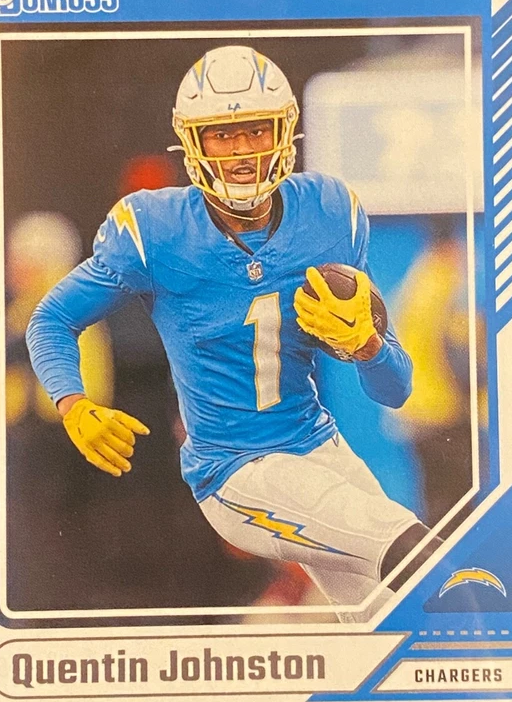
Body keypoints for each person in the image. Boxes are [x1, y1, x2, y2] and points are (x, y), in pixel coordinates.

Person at [26, 45, 439, 617]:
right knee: (408, 545)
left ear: (285, 132)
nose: (243, 151)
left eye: (256, 130)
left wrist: (366, 345)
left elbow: (396, 389)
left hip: (320, 446)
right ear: (193, 142)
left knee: (398, 614)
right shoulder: (156, 230)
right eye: (223, 134)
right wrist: (73, 404)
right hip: (236, 469)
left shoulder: (329, 212)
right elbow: (51, 318)